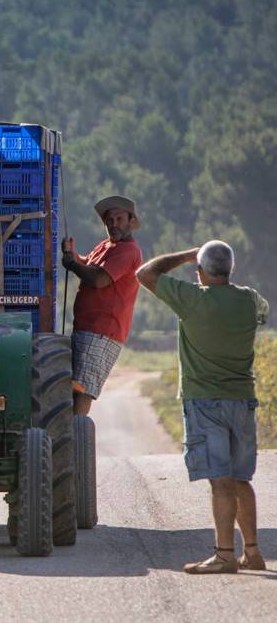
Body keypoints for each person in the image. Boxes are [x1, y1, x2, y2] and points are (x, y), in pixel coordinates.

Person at [136, 240, 269, 574]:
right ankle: (251, 551)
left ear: (201, 271)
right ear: (230, 269)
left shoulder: (193, 299)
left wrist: (186, 254)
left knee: (220, 482)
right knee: (241, 479)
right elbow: (262, 312)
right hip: (243, 399)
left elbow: (145, 273)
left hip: (205, 402)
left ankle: (224, 554)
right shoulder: (249, 299)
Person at [61, 195, 143, 415]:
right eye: (109, 221)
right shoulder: (107, 245)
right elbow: (87, 263)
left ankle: (76, 437)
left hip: (103, 331)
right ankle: (73, 434)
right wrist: (72, 256)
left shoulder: (128, 251)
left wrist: (72, 265)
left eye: (119, 219)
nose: (114, 224)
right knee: (75, 387)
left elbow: (99, 279)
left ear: (131, 222)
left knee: (82, 389)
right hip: (88, 327)